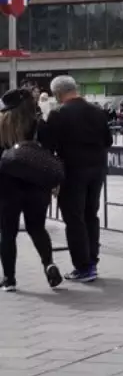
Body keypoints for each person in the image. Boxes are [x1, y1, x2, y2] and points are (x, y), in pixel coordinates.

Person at [41, 76, 112, 283]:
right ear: (75, 88)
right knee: (91, 215)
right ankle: (92, 261)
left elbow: (49, 144)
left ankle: (83, 267)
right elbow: (108, 140)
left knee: (74, 219)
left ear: (57, 93)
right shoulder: (97, 111)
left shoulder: (58, 114)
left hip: (72, 171)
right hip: (97, 169)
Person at [0, 89, 63, 292]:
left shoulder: (1, 126)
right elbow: (51, 152)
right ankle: (48, 264)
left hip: (6, 186)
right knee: (37, 227)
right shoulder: (40, 125)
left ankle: (9, 279)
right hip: (37, 185)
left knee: (7, 232)